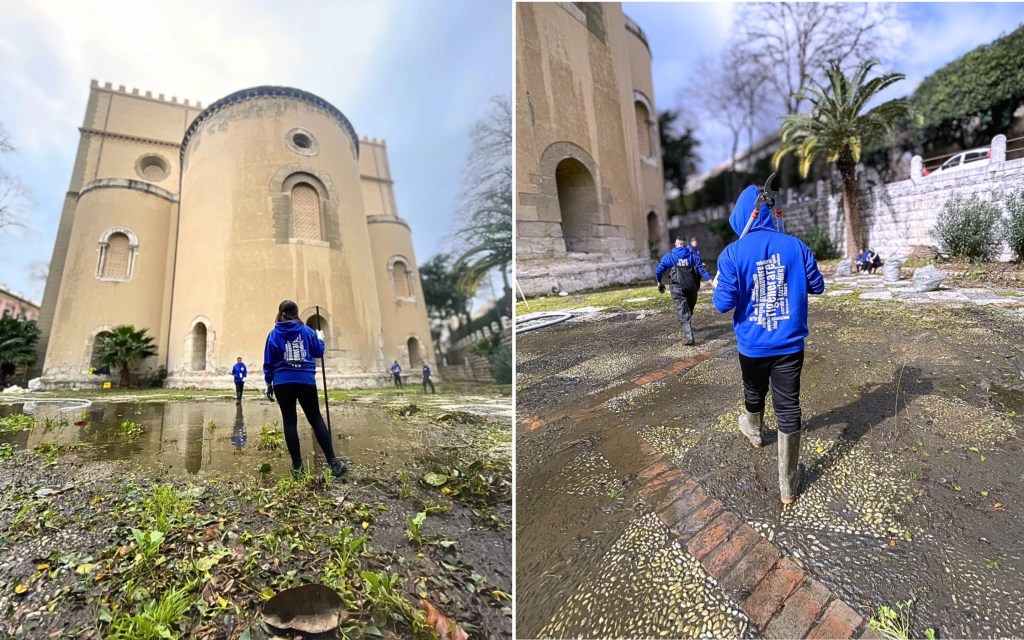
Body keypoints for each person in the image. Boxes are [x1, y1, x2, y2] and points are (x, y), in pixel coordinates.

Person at [712, 184, 825, 505]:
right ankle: (788, 485)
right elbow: (817, 286)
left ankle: (755, 432)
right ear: (769, 213)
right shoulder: (796, 246)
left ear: (741, 215)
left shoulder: (732, 253)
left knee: (754, 391)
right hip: (790, 346)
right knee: (788, 406)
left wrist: (723, 282)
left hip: (752, 347)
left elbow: (723, 304)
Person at [263, 300, 346, 478]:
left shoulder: (274, 334)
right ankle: (333, 463)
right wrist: (320, 339)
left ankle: (298, 467)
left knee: (289, 422)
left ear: (281, 313)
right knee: (316, 419)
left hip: (282, 382)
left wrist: (268, 382)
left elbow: (269, 361)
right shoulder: (307, 331)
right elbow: (318, 352)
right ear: (296, 312)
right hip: (305, 380)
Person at [655, 237, 714, 345]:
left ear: (675, 244)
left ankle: (689, 337)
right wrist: (711, 282)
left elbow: (658, 271)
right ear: (685, 244)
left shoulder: (669, 257)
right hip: (692, 287)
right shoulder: (693, 256)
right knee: (688, 309)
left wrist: (659, 282)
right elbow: (702, 270)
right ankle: (688, 330)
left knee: (683, 311)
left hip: (677, 288)